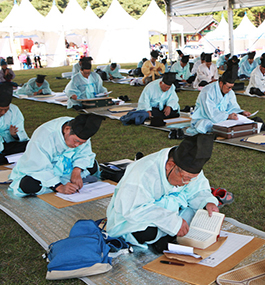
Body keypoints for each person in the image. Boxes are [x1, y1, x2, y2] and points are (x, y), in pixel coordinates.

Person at [106, 134, 219, 252]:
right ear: (170, 165)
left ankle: (166, 237)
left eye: (191, 179)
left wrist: (207, 202)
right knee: (146, 232)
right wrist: (172, 222)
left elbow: (197, 189)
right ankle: (165, 237)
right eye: (185, 178)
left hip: (172, 210)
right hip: (135, 214)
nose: (187, 183)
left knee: (198, 214)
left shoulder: (186, 168)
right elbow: (133, 208)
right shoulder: (143, 172)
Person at [8, 113, 104, 197]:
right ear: (67, 129)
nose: (77, 145)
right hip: (43, 170)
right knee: (28, 184)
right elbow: (39, 166)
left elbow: (85, 154)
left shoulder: (80, 132)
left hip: (67, 168)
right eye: (76, 141)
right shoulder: (45, 134)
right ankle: (58, 185)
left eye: (82, 143)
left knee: (93, 165)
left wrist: (77, 171)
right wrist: (59, 187)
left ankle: (70, 182)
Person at [187, 62, 251, 135]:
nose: (230, 89)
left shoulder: (230, 92)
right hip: (206, 118)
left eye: (232, 87)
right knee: (204, 124)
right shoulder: (207, 91)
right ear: (221, 83)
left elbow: (233, 107)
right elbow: (210, 113)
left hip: (224, 119)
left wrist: (241, 112)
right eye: (228, 87)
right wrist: (227, 116)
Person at [0, 83, 29, 165]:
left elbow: (20, 130)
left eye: (6, 110)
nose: (3, 113)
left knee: (29, 145)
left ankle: (7, 158)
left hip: (10, 144)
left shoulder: (14, 110)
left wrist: (14, 135)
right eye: (0, 110)